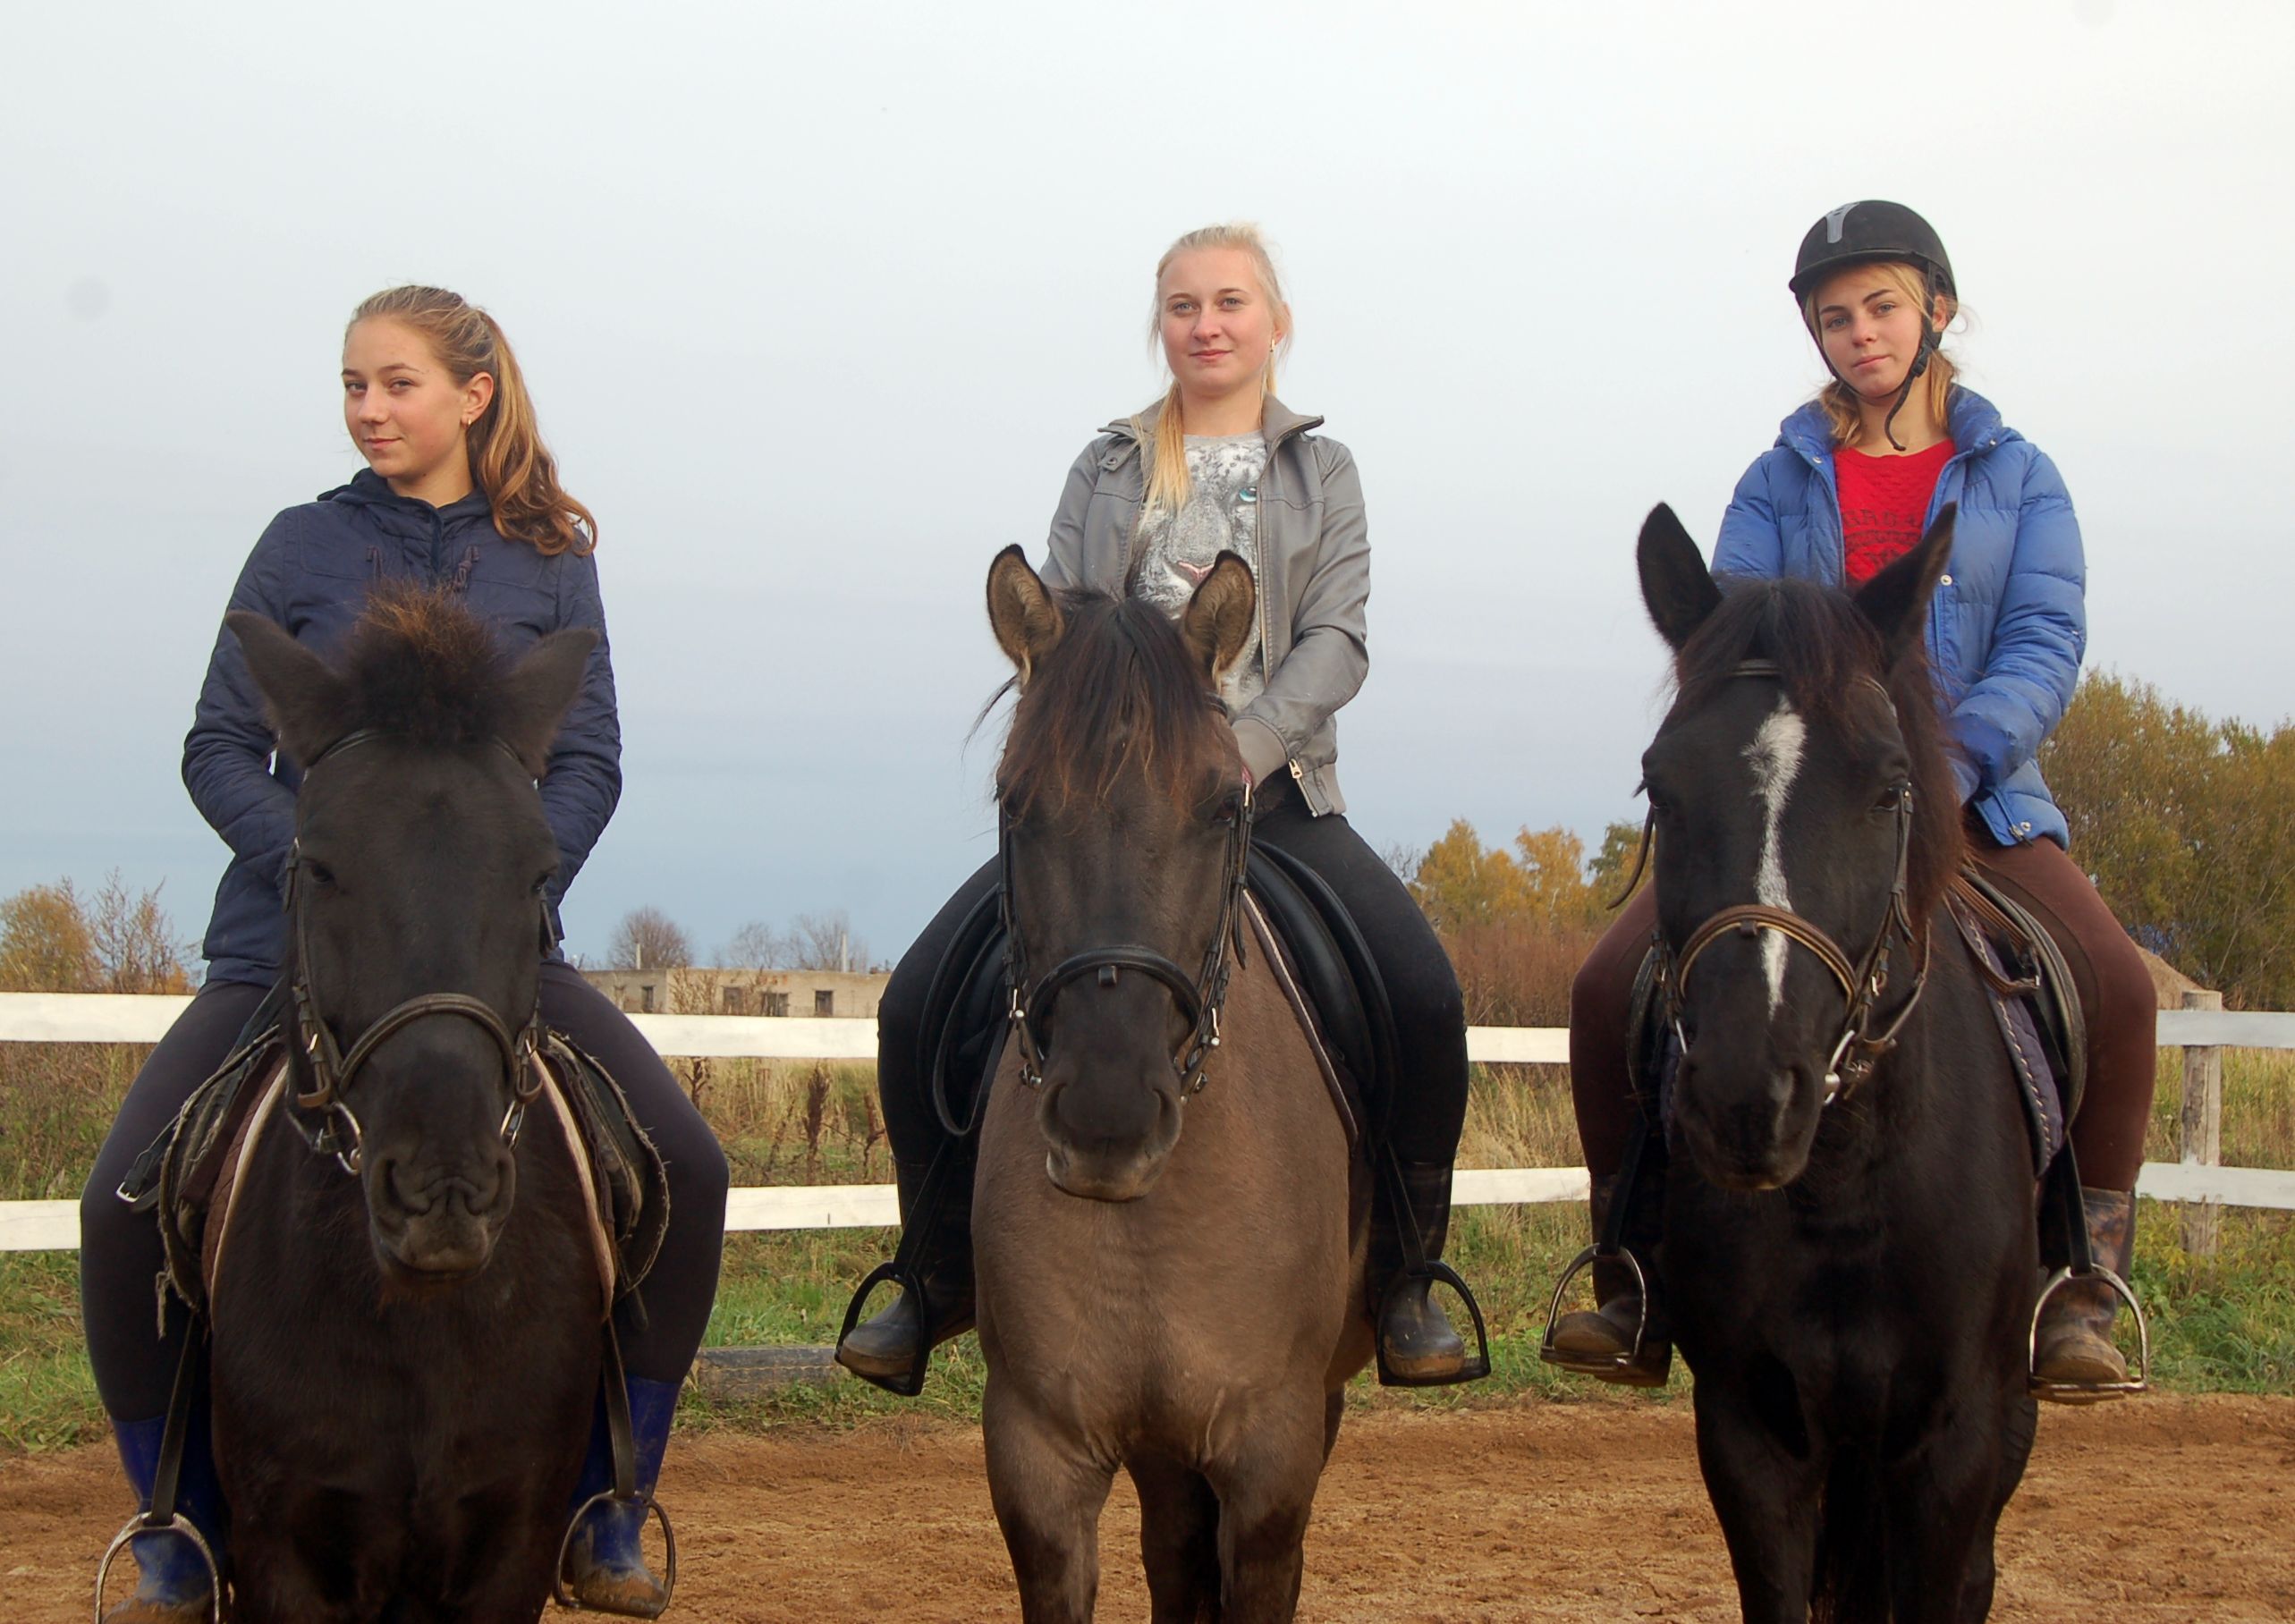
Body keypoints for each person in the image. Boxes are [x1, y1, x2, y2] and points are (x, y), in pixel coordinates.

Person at [78, 286, 728, 1620]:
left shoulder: (552, 560)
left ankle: (605, 1507)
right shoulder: (301, 543)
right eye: (352, 386)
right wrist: (330, 872)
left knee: (691, 1167)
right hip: (292, 951)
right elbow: (217, 745)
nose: (368, 409)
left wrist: (499, 890)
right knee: (116, 1208)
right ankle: (176, 1527)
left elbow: (589, 758)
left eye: (396, 384)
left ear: (473, 394)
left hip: (490, 959)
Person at [836, 223, 1476, 1390]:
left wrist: (1241, 747)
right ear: (1160, 327)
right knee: (920, 996)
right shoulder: (1108, 466)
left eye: (1230, 302)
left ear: (1275, 324)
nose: (1206, 324)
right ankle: (931, 1274)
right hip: (1108, 810)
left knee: (1423, 994)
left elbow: (1336, 639)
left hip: (1274, 793)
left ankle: (1404, 1280)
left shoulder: (1322, 473)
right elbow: (1061, 621)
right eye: (1183, 306)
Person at [1558, 201, 2157, 1397]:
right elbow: (1727, 640)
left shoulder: (2020, 476)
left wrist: (1954, 764)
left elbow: (2044, 640)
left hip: (1977, 800)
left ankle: (2079, 1284)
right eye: (1834, 318)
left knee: (2119, 984)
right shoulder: (1774, 481)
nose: (1859, 333)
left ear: (1937, 310)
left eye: (1880, 307)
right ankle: (1631, 1270)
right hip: (1806, 803)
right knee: (1604, 985)